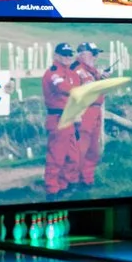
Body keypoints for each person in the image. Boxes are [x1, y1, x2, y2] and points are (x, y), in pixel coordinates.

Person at [39, 42, 86, 196]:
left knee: (73, 156)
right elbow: (62, 87)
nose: (67, 57)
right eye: (64, 54)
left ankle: (65, 185)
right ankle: (52, 189)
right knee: (56, 156)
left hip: (71, 118)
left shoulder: (72, 74)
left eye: (69, 54)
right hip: (58, 118)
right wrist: (80, 91)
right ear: (56, 56)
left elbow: (78, 96)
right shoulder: (53, 72)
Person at [74, 41, 108, 187]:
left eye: (97, 54)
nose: (96, 57)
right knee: (82, 147)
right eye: (94, 53)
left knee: (94, 148)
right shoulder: (76, 69)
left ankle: (87, 180)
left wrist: (101, 79)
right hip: (84, 110)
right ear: (83, 53)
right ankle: (75, 180)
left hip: (95, 110)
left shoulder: (92, 71)